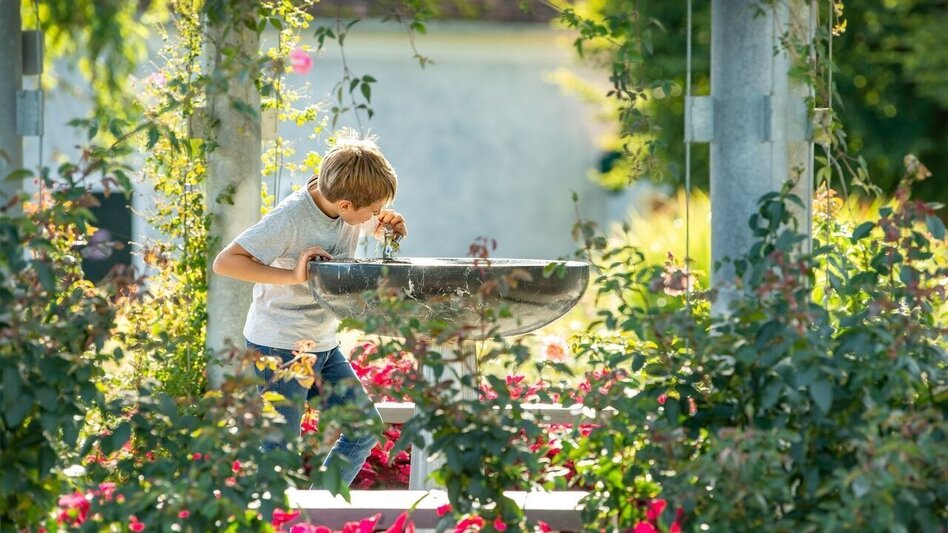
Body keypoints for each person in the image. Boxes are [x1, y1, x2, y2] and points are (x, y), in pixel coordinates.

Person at [212, 131, 407, 487]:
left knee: (363, 430)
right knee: (277, 454)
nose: (376, 215)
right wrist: (292, 274)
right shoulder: (290, 218)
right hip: (278, 347)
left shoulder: (343, 202)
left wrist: (384, 229)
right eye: (373, 211)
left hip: (321, 343)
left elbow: (365, 222)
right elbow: (226, 263)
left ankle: (318, 512)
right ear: (345, 205)